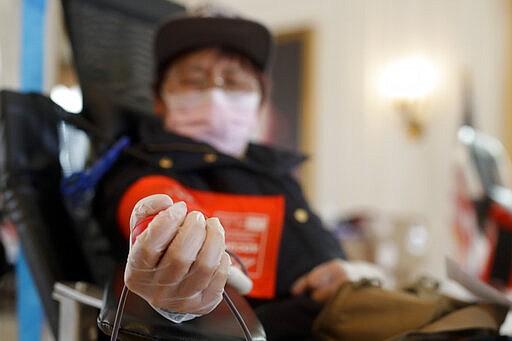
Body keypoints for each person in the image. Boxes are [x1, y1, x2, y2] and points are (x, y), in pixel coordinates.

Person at [94, 4, 383, 340]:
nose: (215, 92)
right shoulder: (145, 168)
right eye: (194, 80)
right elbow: (153, 207)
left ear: (260, 103)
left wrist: (346, 270)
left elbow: (327, 255)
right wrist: (176, 285)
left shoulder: (278, 175)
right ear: (160, 99)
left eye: (233, 81)